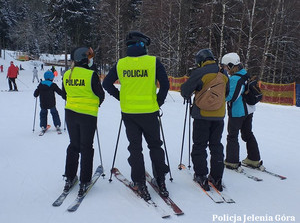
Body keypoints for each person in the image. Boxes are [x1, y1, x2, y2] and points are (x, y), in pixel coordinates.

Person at [103, 31, 170, 201]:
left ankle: (139, 182)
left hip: (130, 113)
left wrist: (120, 97)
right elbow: (165, 84)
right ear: (142, 45)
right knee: (155, 145)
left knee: (135, 148)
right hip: (149, 111)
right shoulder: (153, 62)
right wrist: (158, 101)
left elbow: (106, 83)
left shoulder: (121, 64)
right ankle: (161, 180)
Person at [180, 49, 229, 191]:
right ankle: (217, 177)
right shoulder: (223, 73)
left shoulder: (200, 72)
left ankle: (201, 175)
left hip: (202, 115)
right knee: (216, 145)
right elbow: (226, 92)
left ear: (200, 61)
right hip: (219, 115)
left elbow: (185, 91)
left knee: (200, 145)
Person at [62, 47, 105, 197]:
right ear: (85, 59)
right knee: (86, 147)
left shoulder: (67, 73)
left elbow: (64, 93)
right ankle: (84, 180)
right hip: (87, 115)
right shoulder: (91, 74)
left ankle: (69, 177)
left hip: (71, 113)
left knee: (74, 145)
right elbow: (100, 95)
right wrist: (95, 103)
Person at [220, 52, 264, 171]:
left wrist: (219, 98)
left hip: (238, 112)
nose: (225, 69)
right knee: (247, 133)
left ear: (230, 65)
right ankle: (254, 159)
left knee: (232, 136)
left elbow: (231, 97)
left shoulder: (235, 79)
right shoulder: (245, 74)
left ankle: (232, 161)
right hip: (249, 111)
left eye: (225, 66)